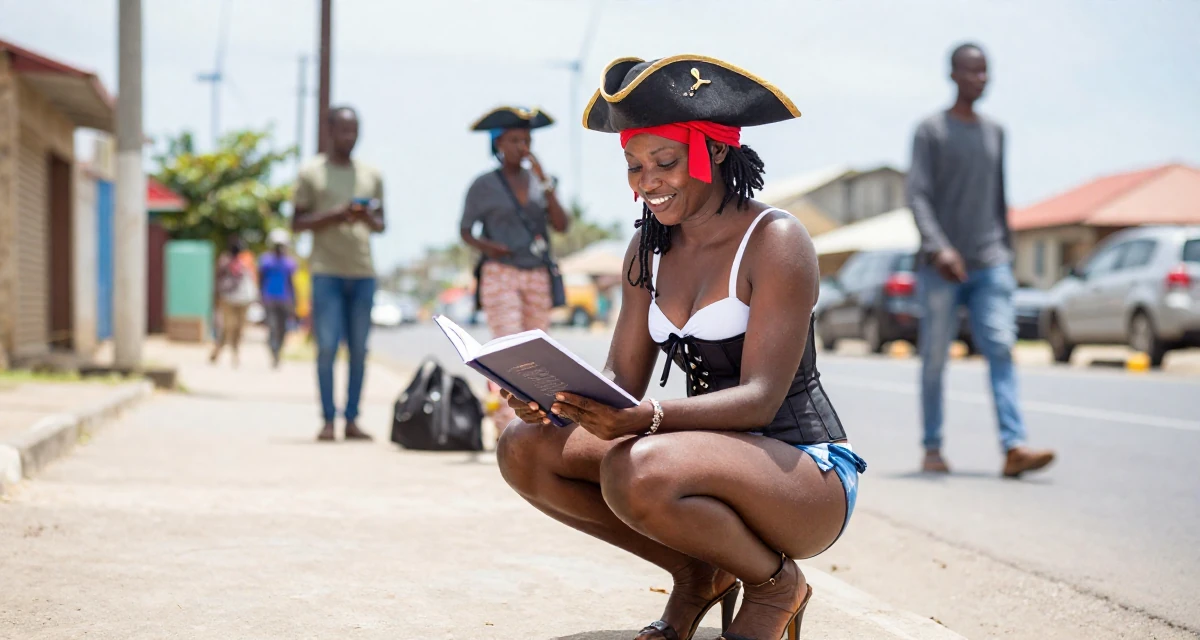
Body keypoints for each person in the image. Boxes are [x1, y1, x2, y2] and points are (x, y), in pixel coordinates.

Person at [495, 55, 867, 640]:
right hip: (697, 455)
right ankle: (699, 573)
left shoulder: (776, 240)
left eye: (664, 161)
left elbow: (762, 401)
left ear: (715, 150)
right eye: (634, 165)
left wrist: (649, 420)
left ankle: (777, 586)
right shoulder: (649, 247)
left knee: (635, 467)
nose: (647, 181)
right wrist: (555, 399)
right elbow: (621, 380)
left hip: (801, 474)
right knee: (525, 447)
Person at [906, 43, 1056, 478]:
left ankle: (1014, 447)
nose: (980, 79)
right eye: (972, 72)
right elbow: (917, 195)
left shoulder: (996, 132)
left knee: (1002, 347)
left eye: (986, 72)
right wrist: (939, 247)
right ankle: (932, 447)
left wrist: (1006, 251)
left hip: (991, 261)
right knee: (935, 358)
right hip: (941, 268)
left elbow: (998, 195)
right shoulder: (930, 131)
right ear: (953, 74)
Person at [460, 106, 570, 432]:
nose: (522, 147)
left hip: (537, 272)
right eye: (514, 140)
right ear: (498, 144)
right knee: (508, 348)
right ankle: (509, 427)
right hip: (500, 271)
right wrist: (490, 247)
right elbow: (465, 231)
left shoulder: (541, 182)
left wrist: (544, 179)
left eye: (527, 140)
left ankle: (536, 420)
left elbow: (562, 224)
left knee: (537, 350)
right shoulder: (483, 185)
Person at [292, 105, 385, 442]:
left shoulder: (371, 175)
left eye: (355, 130)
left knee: (359, 350)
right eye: (343, 130)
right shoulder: (310, 172)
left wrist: (364, 217)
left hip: (363, 271)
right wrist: (335, 214)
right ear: (330, 131)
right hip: (326, 271)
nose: (350, 137)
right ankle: (328, 420)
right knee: (327, 347)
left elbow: (381, 223)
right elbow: (296, 223)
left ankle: (352, 419)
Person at [209, 235, 257, 367]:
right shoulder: (225, 261)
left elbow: (251, 279)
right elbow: (218, 279)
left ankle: (234, 353)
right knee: (227, 327)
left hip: (243, 300)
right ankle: (218, 351)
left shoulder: (244, 262)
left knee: (239, 328)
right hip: (228, 299)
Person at [259, 228, 298, 368]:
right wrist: (260, 296)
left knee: (283, 329)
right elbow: (261, 279)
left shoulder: (289, 262)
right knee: (273, 327)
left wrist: (294, 301)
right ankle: (274, 352)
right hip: (269, 299)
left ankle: (278, 350)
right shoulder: (266, 260)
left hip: (285, 299)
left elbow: (291, 282)